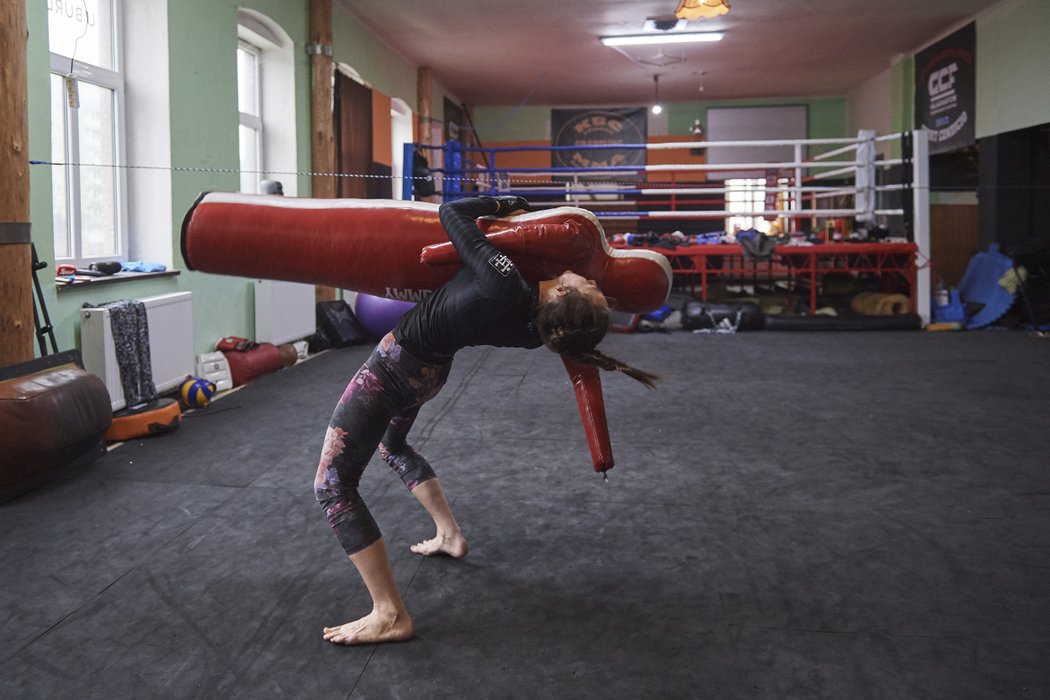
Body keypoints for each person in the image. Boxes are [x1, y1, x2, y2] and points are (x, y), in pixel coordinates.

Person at [315, 195, 657, 645]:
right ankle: (448, 533)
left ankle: (389, 612)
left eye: (587, 285)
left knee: (332, 485)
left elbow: (451, 214)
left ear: (561, 293)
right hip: (429, 374)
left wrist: (508, 202)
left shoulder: (505, 284)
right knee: (392, 446)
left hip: (393, 372)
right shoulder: (539, 332)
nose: (588, 278)